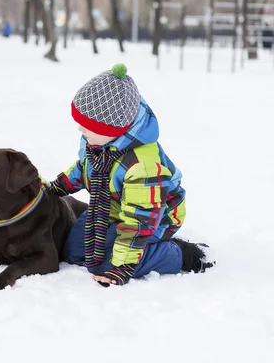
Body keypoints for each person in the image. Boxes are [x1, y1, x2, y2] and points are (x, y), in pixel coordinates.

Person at [48, 63, 213, 287]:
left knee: (102, 264)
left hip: (154, 217)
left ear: (112, 129)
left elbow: (138, 221)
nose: (80, 130)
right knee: (77, 252)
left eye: (87, 126)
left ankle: (177, 254)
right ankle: (133, 251)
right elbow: (84, 168)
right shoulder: (98, 142)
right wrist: (55, 188)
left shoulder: (142, 166)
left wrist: (121, 267)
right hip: (112, 208)